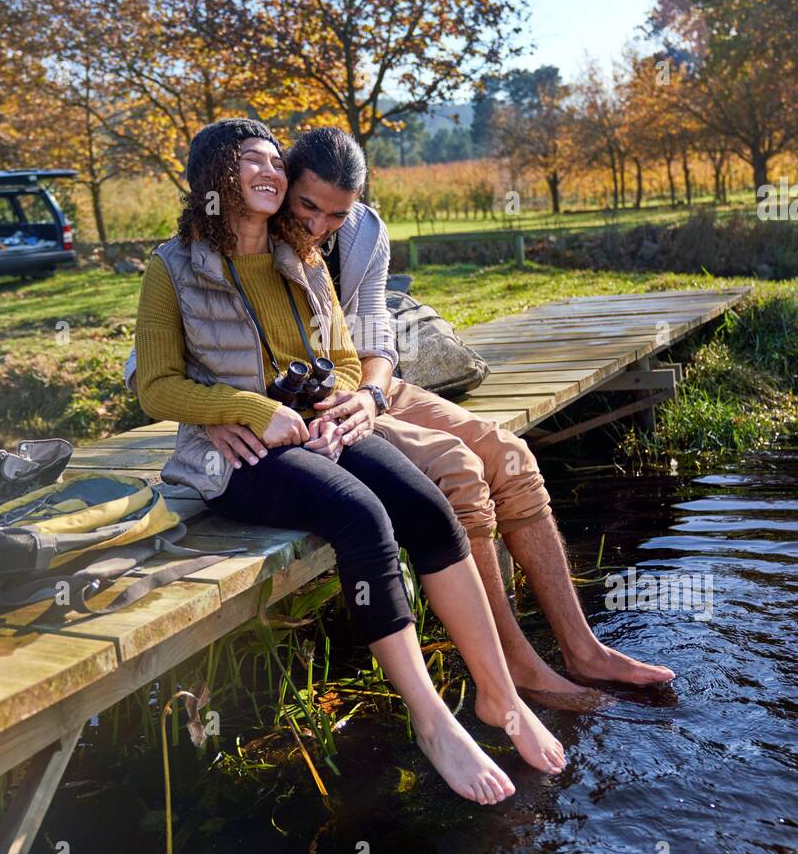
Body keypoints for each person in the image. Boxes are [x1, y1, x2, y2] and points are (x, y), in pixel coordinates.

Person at [128, 126, 674, 700]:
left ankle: (581, 649)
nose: (318, 225)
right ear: (283, 183)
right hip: (293, 414)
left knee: (510, 454)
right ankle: (516, 666)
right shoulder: (215, 246)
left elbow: (372, 334)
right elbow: (151, 370)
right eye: (307, 206)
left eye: (335, 214)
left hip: (362, 390)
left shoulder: (363, 234)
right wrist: (224, 409)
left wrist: (370, 396)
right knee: (458, 468)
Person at [133, 117, 567, 806]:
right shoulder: (171, 268)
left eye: (276, 159)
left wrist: (338, 401)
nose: (270, 169)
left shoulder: (298, 256)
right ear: (216, 173)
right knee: (362, 517)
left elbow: (341, 352)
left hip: (313, 431)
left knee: (425, 505)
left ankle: (498, 695)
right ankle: (431, 721)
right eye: (252, 160)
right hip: (236, 458)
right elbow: (151, 384)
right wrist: (242, 411)